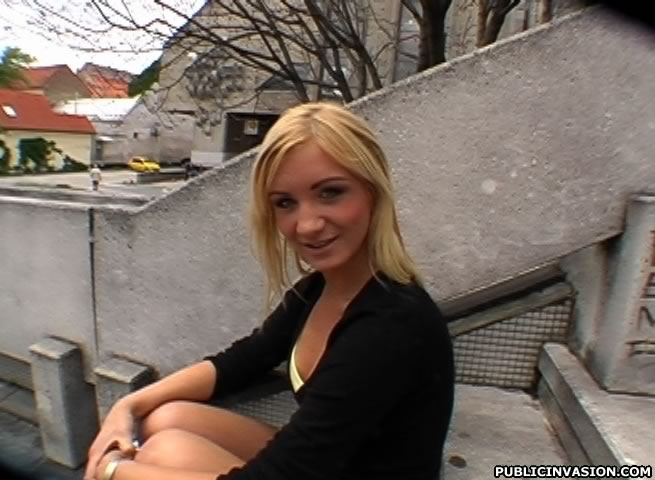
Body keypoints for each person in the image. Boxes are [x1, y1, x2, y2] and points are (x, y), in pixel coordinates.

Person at [84, 102, 455, 480]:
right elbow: (241, 361)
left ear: (373, 192)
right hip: (337, 463)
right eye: (285, 202)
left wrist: (111, 471)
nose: (306, 225)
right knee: (163, 418)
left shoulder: (391, 324)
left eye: (330, 192)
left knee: (157, 455)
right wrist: (128, 406)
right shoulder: (318, 289)